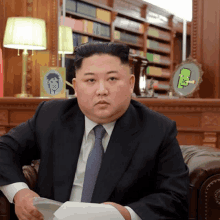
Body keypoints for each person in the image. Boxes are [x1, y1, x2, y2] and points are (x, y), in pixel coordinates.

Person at [0, 42, 189, 220]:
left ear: (131, 83)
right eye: (90, 80)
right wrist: (20, 193)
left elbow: (176, 197)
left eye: (112, 79)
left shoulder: (157, 129)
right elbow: (4, 149)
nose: (101, 90)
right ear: (75, 86)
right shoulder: (51, 116)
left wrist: (126, 214)